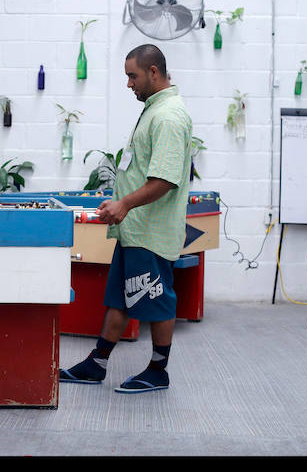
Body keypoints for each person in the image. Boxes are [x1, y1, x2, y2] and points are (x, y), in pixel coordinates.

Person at [59, 44, 192, 394]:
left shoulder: (168, 116)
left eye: (132, 76)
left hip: (151, 230)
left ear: (153, 71)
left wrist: (126, 205)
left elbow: (164, 179)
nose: (129, 84)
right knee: (120, 297)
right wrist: (120, 202)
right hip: (135, 229)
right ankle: (96, 363)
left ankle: (158, 371)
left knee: (157, 298)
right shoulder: (154, 110)